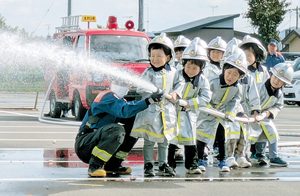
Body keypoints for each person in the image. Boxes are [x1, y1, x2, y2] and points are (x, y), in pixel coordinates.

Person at [75, 79, 163, 177]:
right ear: (111, 83)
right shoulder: (107, 96)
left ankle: (113, 165)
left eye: (125, 84)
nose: (122, 86)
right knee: (116, 130)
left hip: (95, 141)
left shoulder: (119, 100)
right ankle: (95, 166)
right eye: (119, 83)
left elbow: (129, 115)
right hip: (85, 145)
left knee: (134, 129)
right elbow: (124, 111)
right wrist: (148, 100)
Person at [131, 33, 185, 177]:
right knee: (149, 141)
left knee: (164, 141)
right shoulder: (148, 73)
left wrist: (175, 94)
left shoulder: (174, 72)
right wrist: (152, 93)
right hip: (151, 112)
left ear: (168, 57)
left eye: (159, 56)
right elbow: (140, 88)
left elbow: (180, 83)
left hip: (167, 111)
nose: (154, 59)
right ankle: (148, 165)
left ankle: (163, 164)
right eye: (152, 56)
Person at [196, 52, 247, 172]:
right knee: (202, 136)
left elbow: (235, 100)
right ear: (224, 69)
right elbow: (203, 94)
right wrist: (210, 109)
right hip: (206, 112)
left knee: (221, 136)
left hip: (221, 114)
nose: (230, 77)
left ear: (240, 76)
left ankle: (223, 160)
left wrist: (230, 113)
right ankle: (199, 160)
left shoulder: (237, 87)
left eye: (235, 74)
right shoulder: (213, 82)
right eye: (229, 72)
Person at [168, 41, 212, 174]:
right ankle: (169, 165)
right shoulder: (176, 75)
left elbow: (205, 97)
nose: (190, 71)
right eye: (188, 67)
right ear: (183, 64)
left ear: (201, 67)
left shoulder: (203, 80)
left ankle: (191, 165)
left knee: (190, 140)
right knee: (171, 140)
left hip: (189, 114)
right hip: (173, 112)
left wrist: (190, 103)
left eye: (194, 68)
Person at [222, 45, 260, 168]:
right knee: (231, 134)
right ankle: (229, 156)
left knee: (244, 135)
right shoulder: (224, 76)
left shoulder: (248, 78)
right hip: (228, 109)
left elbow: (254, 94)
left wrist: (255, 110)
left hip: (243, 111)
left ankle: (242, 155)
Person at [249, 63, 293, 166]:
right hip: (251, 115)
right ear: (270, 75)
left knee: (271, 132)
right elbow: (251, 100)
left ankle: (272, 156)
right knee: (253, 133)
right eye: (275, 77)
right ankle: (253, 154)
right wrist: (255, 112)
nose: (276, 81)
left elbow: (278, 107)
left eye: (280, 80)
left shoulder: (279, 94)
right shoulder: (258, 87)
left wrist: (267, 113)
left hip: (265, 117)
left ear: (284, 83)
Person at [239, 35, 270, 160]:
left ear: (256, 56)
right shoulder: (243, 72)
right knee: (247, 131)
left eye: (249, 56)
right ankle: (244, 153)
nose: (246, 59)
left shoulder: (264, 70)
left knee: (262, 130)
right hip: (247, 106)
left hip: (262, 104)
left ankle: (260, 153)